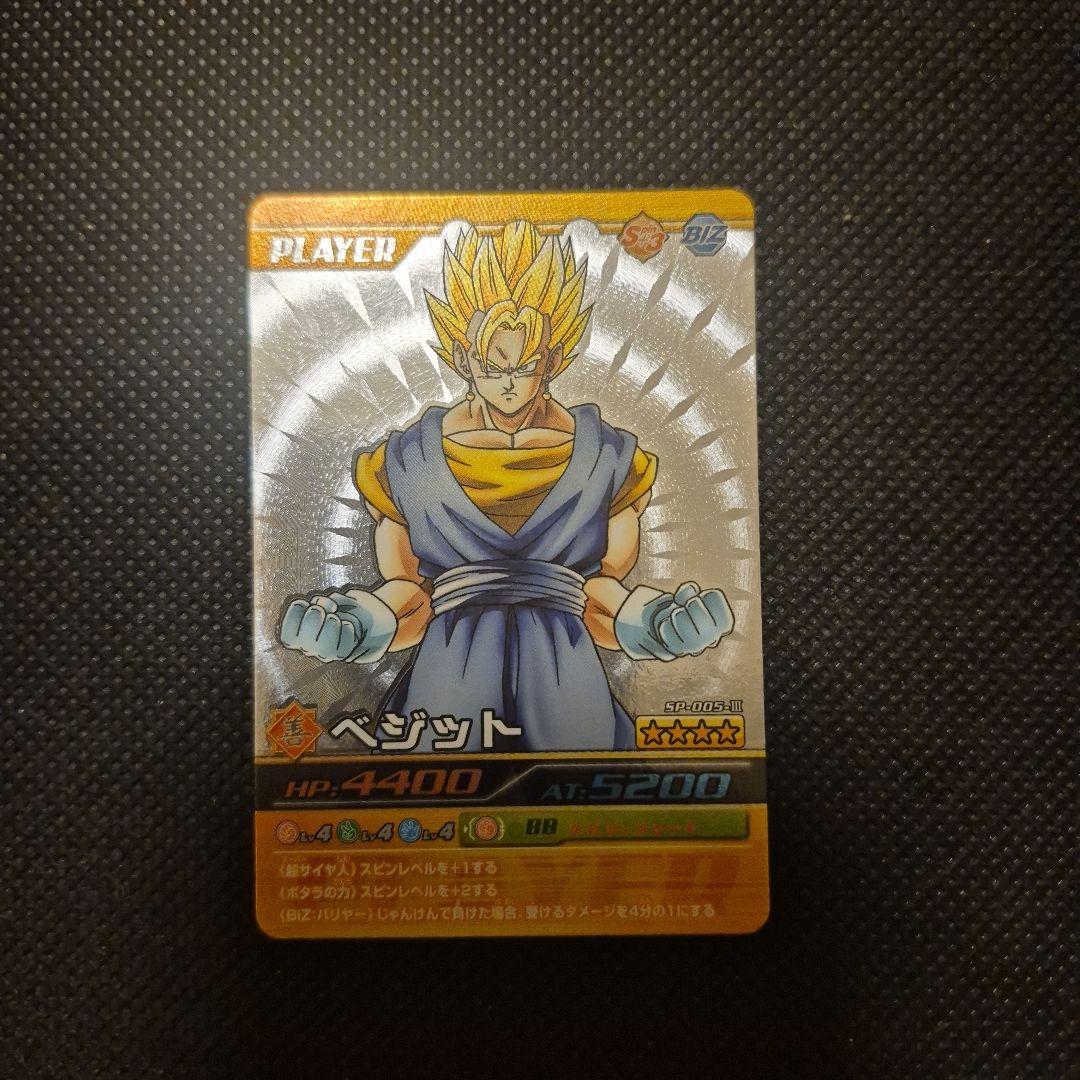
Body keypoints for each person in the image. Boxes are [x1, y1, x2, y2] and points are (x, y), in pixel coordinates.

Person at [280, 221, 734, 750]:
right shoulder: (406, 460)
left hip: (568, 687)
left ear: (553, 360)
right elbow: (412, 599)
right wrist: (363, 622)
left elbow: (599, 597)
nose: (510, 383)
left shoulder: (609, 458)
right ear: (464, 358)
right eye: (493, 366)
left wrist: (651, 622)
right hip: (447, 690)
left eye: (526, 365)